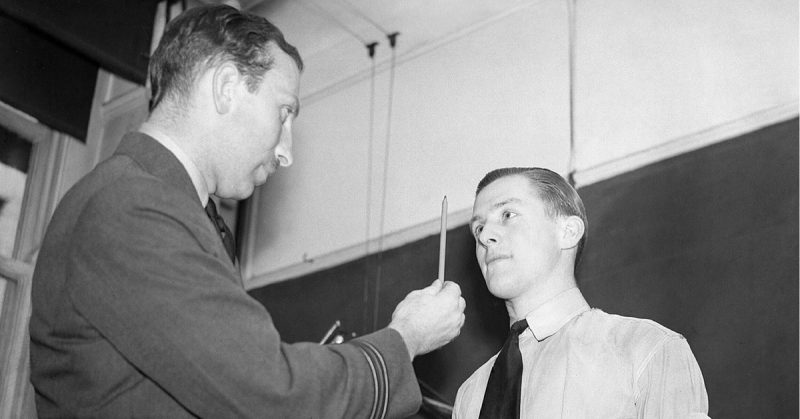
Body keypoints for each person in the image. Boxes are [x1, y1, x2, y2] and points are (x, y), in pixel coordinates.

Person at [29, 5, 465, 418]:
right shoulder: (133, 206)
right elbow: (274, 395)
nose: (286, 151)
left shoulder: (160, 206)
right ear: (226, 88)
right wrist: (405, 338)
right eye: (284, 112)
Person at [453, 167, 709, 418]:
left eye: (508, 214)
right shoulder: (470, 398)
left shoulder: (648, 349)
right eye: (478, 228)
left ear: (568, 232)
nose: (485, 235)